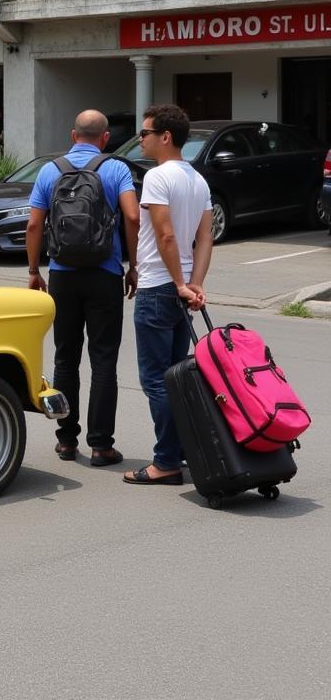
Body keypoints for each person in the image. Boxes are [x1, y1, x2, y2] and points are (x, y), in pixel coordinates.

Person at [26, 110, 140, 468]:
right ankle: (101, 446)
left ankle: (66, 441)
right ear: (105, 138)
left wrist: (33, 270)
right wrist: (133, 265)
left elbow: (33, 224)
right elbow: (133, 217)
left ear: (73, 134)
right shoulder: (116, 168)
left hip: (62, 274)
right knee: (103, 360)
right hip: (104, 273)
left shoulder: (50, 170)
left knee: (65, 357)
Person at [124, 103, 213, 485]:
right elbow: (206, 238)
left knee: (157, 380)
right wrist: (195, 283)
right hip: (177, 289)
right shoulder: (199, 180)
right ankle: (179, 451)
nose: (140, 139)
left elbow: (166, 235)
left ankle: (165, 462)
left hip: (159, 288)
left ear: (165, 137)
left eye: (145, 133)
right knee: (176, 376)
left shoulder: (159, 177)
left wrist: (179, 282)